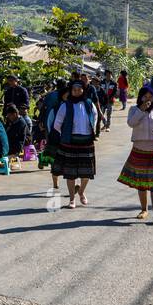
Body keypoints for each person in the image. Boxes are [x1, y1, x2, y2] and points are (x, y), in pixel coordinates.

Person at [119, 85, 153, 221]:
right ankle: (144, 210)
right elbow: (131, 123)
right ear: (140, 97)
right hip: (139, 150)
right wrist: (142, 110)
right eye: (145, 96)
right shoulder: (134, 110)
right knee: (141, 182)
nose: (148, 99)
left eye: (150, 96)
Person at [51, 80, 98, 209]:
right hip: (70, 142)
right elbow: (57, 124)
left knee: (86, 172)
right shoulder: (65, 105)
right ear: (71, 91)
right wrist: (66, 134)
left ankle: (81, 192)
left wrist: (90, 130)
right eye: (74, 89)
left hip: (87, 142)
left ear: (83, 90)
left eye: (79, 89)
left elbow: (95, 117)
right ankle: (72, 199)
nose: (77, 91)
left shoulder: (89, 104)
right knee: (70, 173)